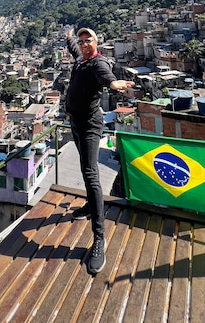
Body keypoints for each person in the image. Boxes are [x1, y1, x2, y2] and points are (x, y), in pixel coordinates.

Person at [65, 27, 134, 274]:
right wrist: (69, 37)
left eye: (88, 41)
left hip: (90, 125)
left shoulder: (97, 64)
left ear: (97, 42)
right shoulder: (81, 59)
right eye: (82, 41)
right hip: (75, 121)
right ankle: (88, 206)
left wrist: (114, 84)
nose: (84, 44)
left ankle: (99, 238)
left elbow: (106, 76)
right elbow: (74, 47)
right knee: (86, 170)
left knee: (91, 174)